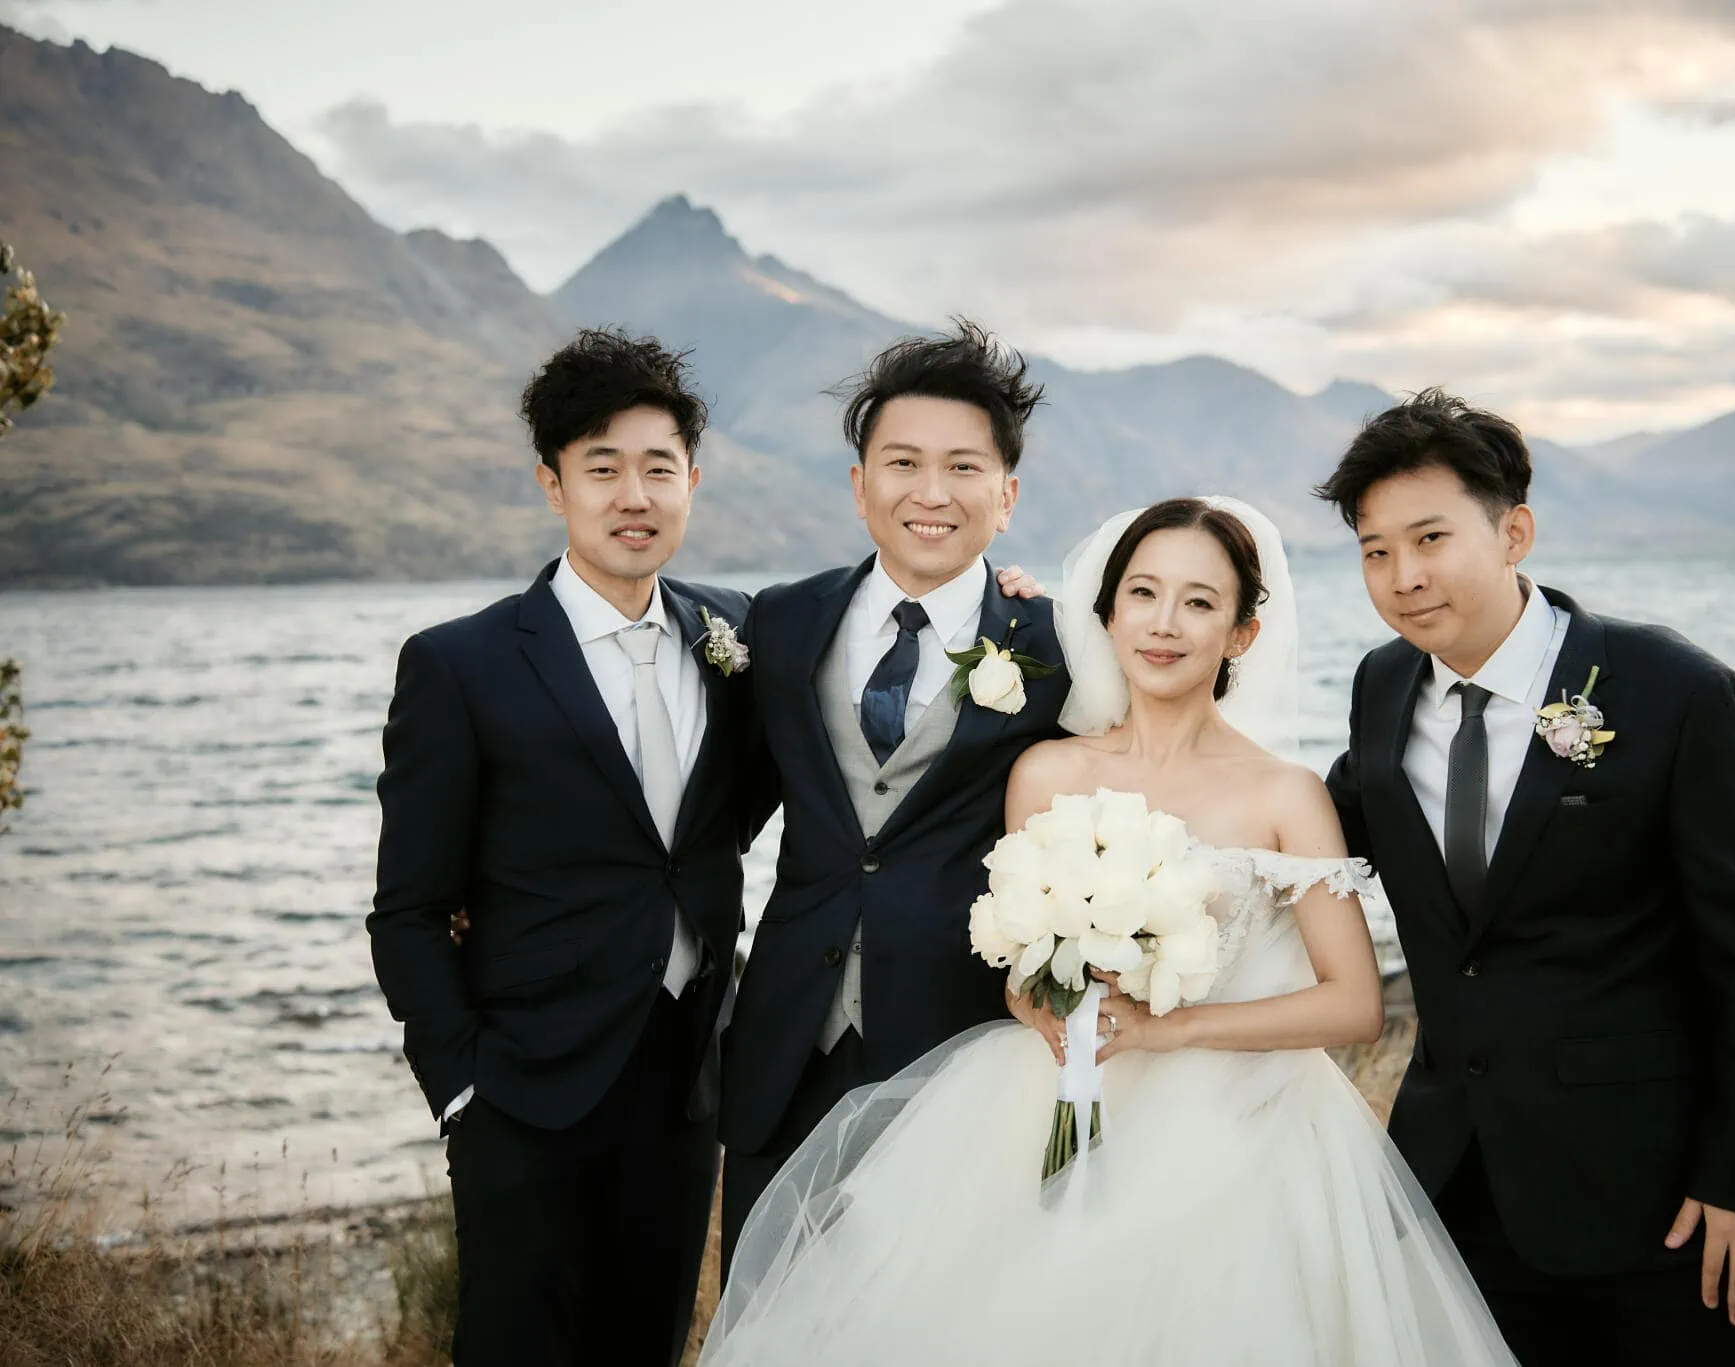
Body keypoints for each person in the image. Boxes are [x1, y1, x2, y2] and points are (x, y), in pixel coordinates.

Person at [701, 497, 1520, 1366]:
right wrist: (1036, 1005)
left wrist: (1172, 1029)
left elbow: (1355, 1002)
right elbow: (1018, 968)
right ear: (1108, 611)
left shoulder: (1285, 793)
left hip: (1240, 1136)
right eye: (1143, 593)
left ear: (1241, 633)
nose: (1164, 624)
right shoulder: (1045, 770)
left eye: (1200, 602)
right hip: (1041, 1104)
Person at [1318, 389, 1735, 1367]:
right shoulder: (1380, 686)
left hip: (1666, 1202)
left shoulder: (1672, 691)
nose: (1402, 576)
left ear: (1512, 530)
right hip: (1459, 1180)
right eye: (1374, 549)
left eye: (1429, 537)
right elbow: (1316, 837)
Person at [367, 328, 759, 1365]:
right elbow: (408, 907)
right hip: (523, 1089)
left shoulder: (737, 635)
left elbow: (723, 816)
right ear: (552, 484)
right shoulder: (463, 663)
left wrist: (1018, 604)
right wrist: (461, 1092)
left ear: (691, 480)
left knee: (646, 1344)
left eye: (657, 468)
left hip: (683, 1082)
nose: (633, 495)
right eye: (602, 468)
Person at [718, 321, 1072, 1262]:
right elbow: (716, 814)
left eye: (963, 468)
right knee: (769, 1314)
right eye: (902, 461)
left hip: (961, 1046)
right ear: (859, 483)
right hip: (788, 1041)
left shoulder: (1062, 647)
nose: (930, 492)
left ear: (1006, 494)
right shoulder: (785, 621)